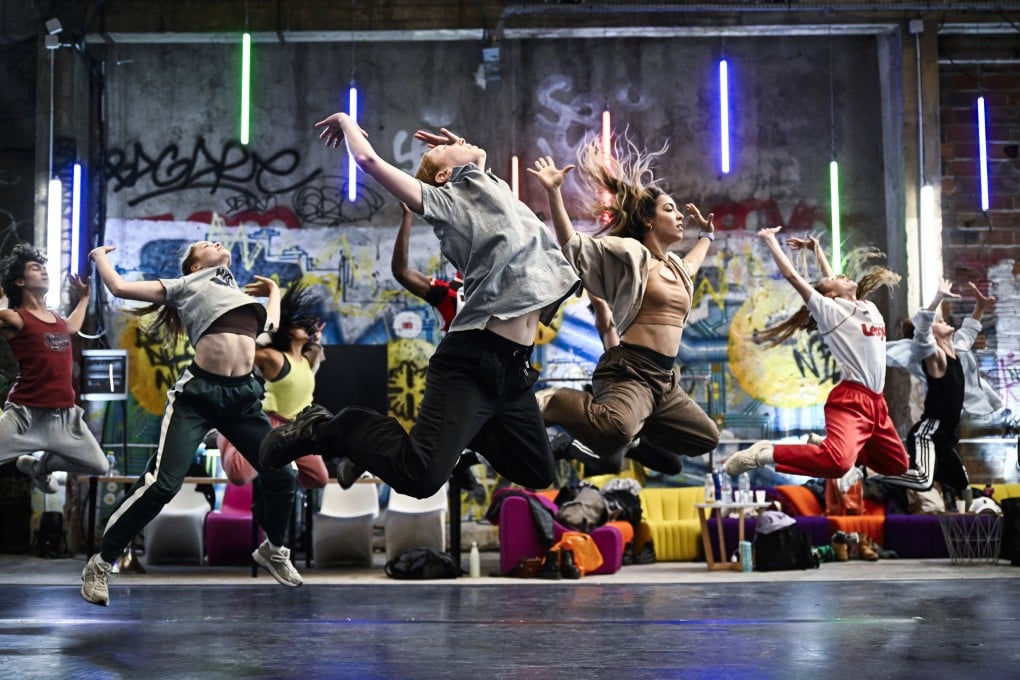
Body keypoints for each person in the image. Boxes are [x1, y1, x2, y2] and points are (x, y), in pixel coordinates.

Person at [260, 116, 580, 499]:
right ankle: (332, 429)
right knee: (421, 478)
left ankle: (464, 435)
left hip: (513, 370)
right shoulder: (450, 203)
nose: (456, 139)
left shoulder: (492, 191)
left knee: (536, 469)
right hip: (472, 360)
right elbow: (370, 163)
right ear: (445, 177)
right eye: (443, 150)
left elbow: (476, 167)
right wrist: (347, 123)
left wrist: (464, 153)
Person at [83, 241, 301, 606]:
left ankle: (274, 549)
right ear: (195, 264)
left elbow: (272, 325)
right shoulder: (189, 285)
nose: (216, 242)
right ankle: (102, 561)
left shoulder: (236, 294)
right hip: (197, 398)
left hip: (242, 399)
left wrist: (275, 291)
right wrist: (100, 258)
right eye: (205, 244)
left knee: (284, 473)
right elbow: (120, 288)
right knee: (162, 485)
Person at [527, 136, 720, 475]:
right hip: (631, 369)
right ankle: (554, 401)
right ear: (649, 221)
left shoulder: (675, 267)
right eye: (669, 209)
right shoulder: (632, 256)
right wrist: (554, 192)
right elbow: (573, 245)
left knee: (705, 437)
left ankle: (635, 432)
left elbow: (692, 265)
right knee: (613, 431)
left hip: (665, 380)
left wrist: (708, 237)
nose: (679, 216)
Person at [723, 226, 909, 479]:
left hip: (877, 402)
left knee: (898, 465)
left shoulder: (865, 307)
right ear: (831, 295)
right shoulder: (831, 313)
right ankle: (764, 454)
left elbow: (830, 277)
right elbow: (792, 277)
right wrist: (769, 240)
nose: (842, 275)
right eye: (836, 280)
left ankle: (830, 445)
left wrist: (817, 250)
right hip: (852, 401)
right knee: (838, 466)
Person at [0, 245, 109, 494]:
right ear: (19, 281)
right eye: (35, 269)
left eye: (43, 267)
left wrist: (84, 298)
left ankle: (38, 467)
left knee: (99, 465)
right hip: (25, 417)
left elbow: (72, 327)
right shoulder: (15, 318)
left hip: (63, 419)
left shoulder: (56, 318)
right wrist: (4, 295)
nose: (43, 272)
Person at [875, 279, 996, 493]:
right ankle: (869, 471)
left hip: (946, 437)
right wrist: (938, 297)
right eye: (938, 321)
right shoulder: (935, 358)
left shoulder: (957, 351)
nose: (943, 320)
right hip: (928, 433)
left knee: (961, 483)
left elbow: (969, 331)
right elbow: (922, 335)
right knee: (923, 480)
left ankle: (904, 464)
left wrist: (980, 305)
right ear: (932, 335)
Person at [215, 281, 329, 490]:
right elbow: (244, 349)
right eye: (299, 325)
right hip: (271, 423)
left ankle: (278, 475)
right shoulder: (274, 358)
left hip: (298, 428)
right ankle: (228, 433)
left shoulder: (307, 360)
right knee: (238, 475)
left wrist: (317, 337)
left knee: (319, 479)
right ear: (288, 332)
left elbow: (315, 351)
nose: (305, 328)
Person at [392, 202, 463, 333]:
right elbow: (401, 272)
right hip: (457, 352)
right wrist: (407, 216)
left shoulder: (499, 290)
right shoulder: (450, 295)